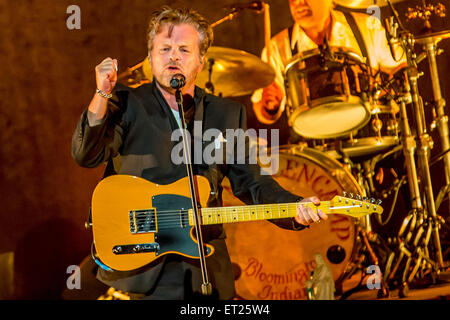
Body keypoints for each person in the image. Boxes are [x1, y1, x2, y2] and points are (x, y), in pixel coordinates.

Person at [71, 6, 327, 300]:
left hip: (204, 265)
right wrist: (101, 94)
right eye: (164, 48)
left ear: (201, 60)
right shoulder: (127, 103)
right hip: (141, 264)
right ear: (151, 57)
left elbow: (253, 184)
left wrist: (296, 206)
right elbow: (85, 154)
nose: (173, 57)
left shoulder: (227, 114)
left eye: (183, 49)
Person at [252, 0, 405, 127]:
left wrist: (387, 93)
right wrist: (270, 106)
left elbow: (402, 67)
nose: (297, 3)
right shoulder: (277, 47)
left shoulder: (367, 27)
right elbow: (261, 111)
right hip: (315, 150)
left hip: (373, 133)